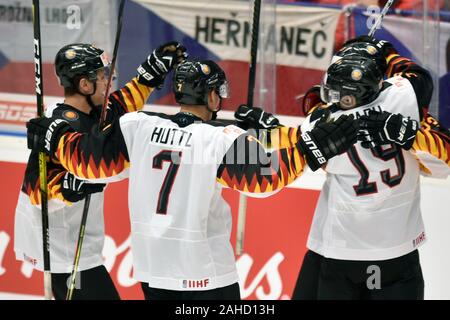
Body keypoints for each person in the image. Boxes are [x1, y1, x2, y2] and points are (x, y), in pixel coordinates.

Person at [25, 58, 359, 300]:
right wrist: (313, 149)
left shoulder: (137, 127)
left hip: (153, 273)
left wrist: (55, 137)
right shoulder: (219, 139)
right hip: (205, 276)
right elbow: (266, 177)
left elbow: (88, 163)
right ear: (213, 97)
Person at [14, 41, 187, 299]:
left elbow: (122, 103)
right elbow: (37, 188)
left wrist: (148, 78)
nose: (109, 80)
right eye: (103, 75)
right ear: (85, 85)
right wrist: (67, 187)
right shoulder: (57, 125)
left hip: (79, 251)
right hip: (64, 251)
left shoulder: (94, 112)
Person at [291, 36, 449, 300]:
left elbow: (311, 103)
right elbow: (418, 76)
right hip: (398, 251)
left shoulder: (322, 120)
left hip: (341, 252)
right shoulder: (404, 97)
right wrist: (383, 51)